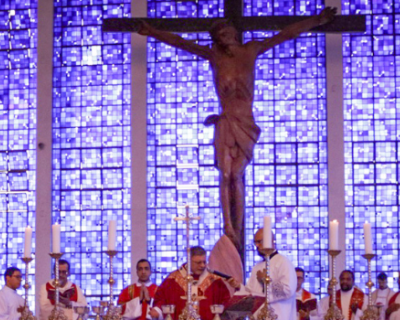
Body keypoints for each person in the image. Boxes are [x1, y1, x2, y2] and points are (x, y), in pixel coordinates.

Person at [137, 7, 338, 259]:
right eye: (220, 35)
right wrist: (152, 32)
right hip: (224, 121)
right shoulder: (214, 57)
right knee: (226, 174)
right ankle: (228, 226)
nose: (226, 37)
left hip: (245, 121)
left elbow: (284, 34)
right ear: (217, 40)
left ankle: (239, 226)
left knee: (237, 175)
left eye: (228, 32)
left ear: (235, 33)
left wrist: (316, 20)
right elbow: (181, 42)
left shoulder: (251, 51)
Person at [231, 228, 297, 320]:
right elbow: (252, 293)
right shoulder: (257, 267)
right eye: (255, 242)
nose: (257, 246)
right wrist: (239, 287)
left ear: (270, 241)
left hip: (279, 319)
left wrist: (266, 280)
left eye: (259, 242)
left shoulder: (283, 262)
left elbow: (288, 290)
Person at [154, 246, 234, 320]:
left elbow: (226, 302)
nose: (202, 265)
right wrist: (157, 311)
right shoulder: (173, 280)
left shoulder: (215, 280)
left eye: (204, 262)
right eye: (198, 263)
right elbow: (161, 299)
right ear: (189, 261)